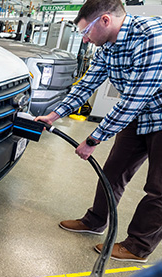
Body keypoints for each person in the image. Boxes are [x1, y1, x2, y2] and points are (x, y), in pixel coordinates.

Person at [36, 0, 162, 263]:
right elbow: (87, 84)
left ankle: (138, 246)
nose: (84, 39)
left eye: (85, 32)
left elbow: (134, 99)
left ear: (105, 20)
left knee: (158, 189)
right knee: (113, 172)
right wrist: (54, 114)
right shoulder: (108, 46)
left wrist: (94, 139)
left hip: (153, 112)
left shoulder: (152, 37)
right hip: (140, 114)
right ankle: (95, 221)